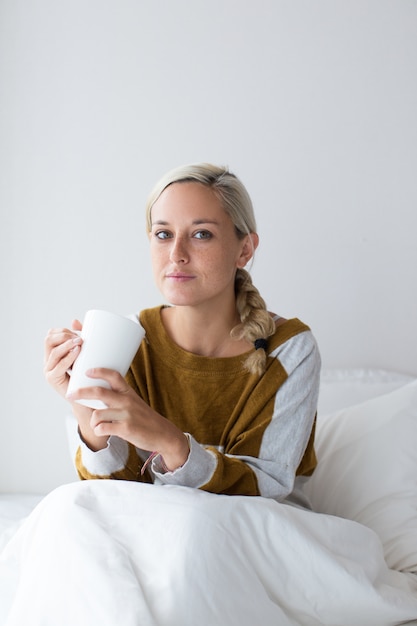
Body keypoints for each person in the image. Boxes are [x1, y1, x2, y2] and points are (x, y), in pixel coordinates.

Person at [44, 163, 320, 504]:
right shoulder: (130, 340)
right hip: (156, 531)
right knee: (64, 509)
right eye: (164, 235)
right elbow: (112, 495)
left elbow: (268, 488)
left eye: (201, 234)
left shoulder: (289, 348)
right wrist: (87, 410)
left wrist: (170, 442)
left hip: (257, 534)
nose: (176, 255)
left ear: (245, 250)